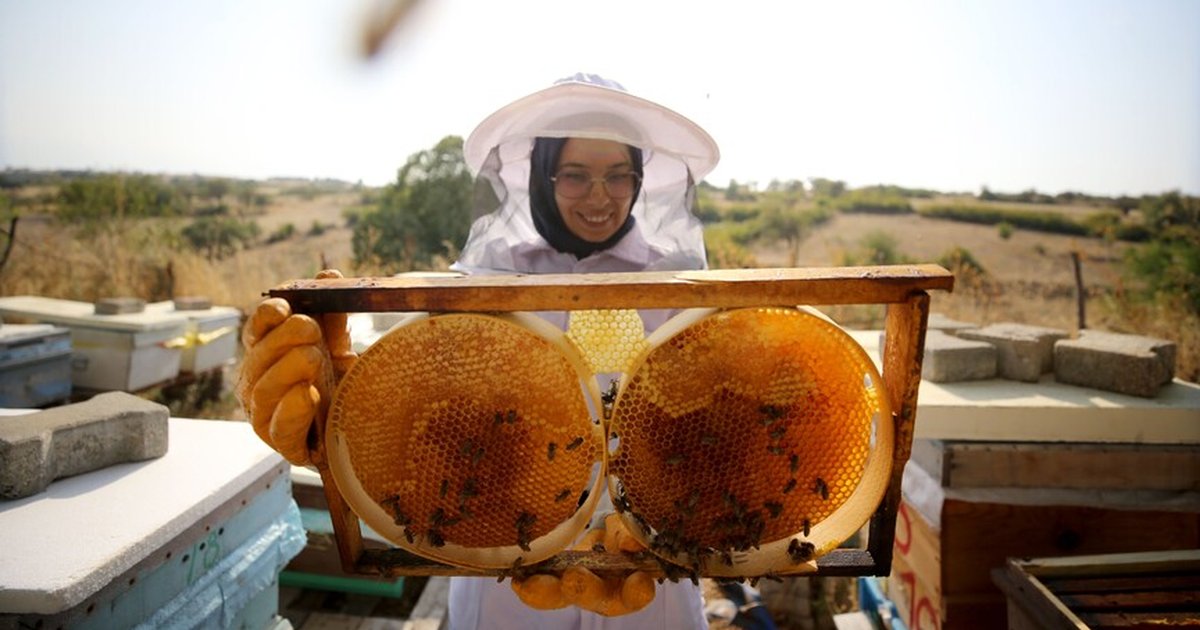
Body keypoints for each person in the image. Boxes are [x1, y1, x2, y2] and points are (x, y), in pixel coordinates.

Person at [238, 72, 720, 629]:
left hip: (652, 567)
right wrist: (348, 420)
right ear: (541, 177)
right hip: (503, 563)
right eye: (575, 175)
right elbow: (418, 404)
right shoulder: (482, 287)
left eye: (619, 175)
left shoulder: (680, 289)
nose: (599, 195)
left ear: (640, 179)